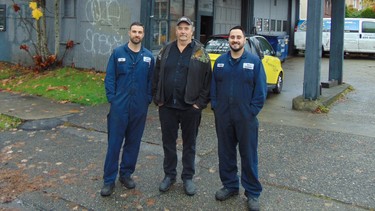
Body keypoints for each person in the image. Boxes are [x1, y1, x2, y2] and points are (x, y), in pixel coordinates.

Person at [152, 16, 212, 196]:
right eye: (180, 28)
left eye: (187, 28)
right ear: (176, 31)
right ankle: (169, 176)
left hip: (190, 108)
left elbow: (207, 81)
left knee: (189, 144)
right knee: (168, 143)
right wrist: (157, 98)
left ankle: (187, 177)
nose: (183, 31)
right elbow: (156, 75)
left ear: (192, 31)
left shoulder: (200, 52)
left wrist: (199, 104)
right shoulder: (166, 50)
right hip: (168, 106)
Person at [210, 26, 267, 210]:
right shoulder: (220, 62)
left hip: (246, 118)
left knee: (248, 155)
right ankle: (230, 186)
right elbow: (213, 88)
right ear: (229, 40)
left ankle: (252, 193)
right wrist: (216, 108)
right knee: (225, 153)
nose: (235, 40)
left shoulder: (254, 62)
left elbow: (260, 91)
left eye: (238, 37)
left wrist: (251, 111)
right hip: (224, 117)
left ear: (244, 40)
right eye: (232, 37)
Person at [101, 22, 155, 197]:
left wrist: (147, 99)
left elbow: (151, 82)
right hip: (120, 107)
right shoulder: (118, 53)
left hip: (139, 107)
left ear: (143, 34)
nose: (137, 34)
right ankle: (109, 180)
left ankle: (125, 174)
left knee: (133, 143)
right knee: (114, 144)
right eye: (134, 31)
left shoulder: (148, 57)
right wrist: (113, 99)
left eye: (140, 32)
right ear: (129, 33)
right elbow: (110, 78)